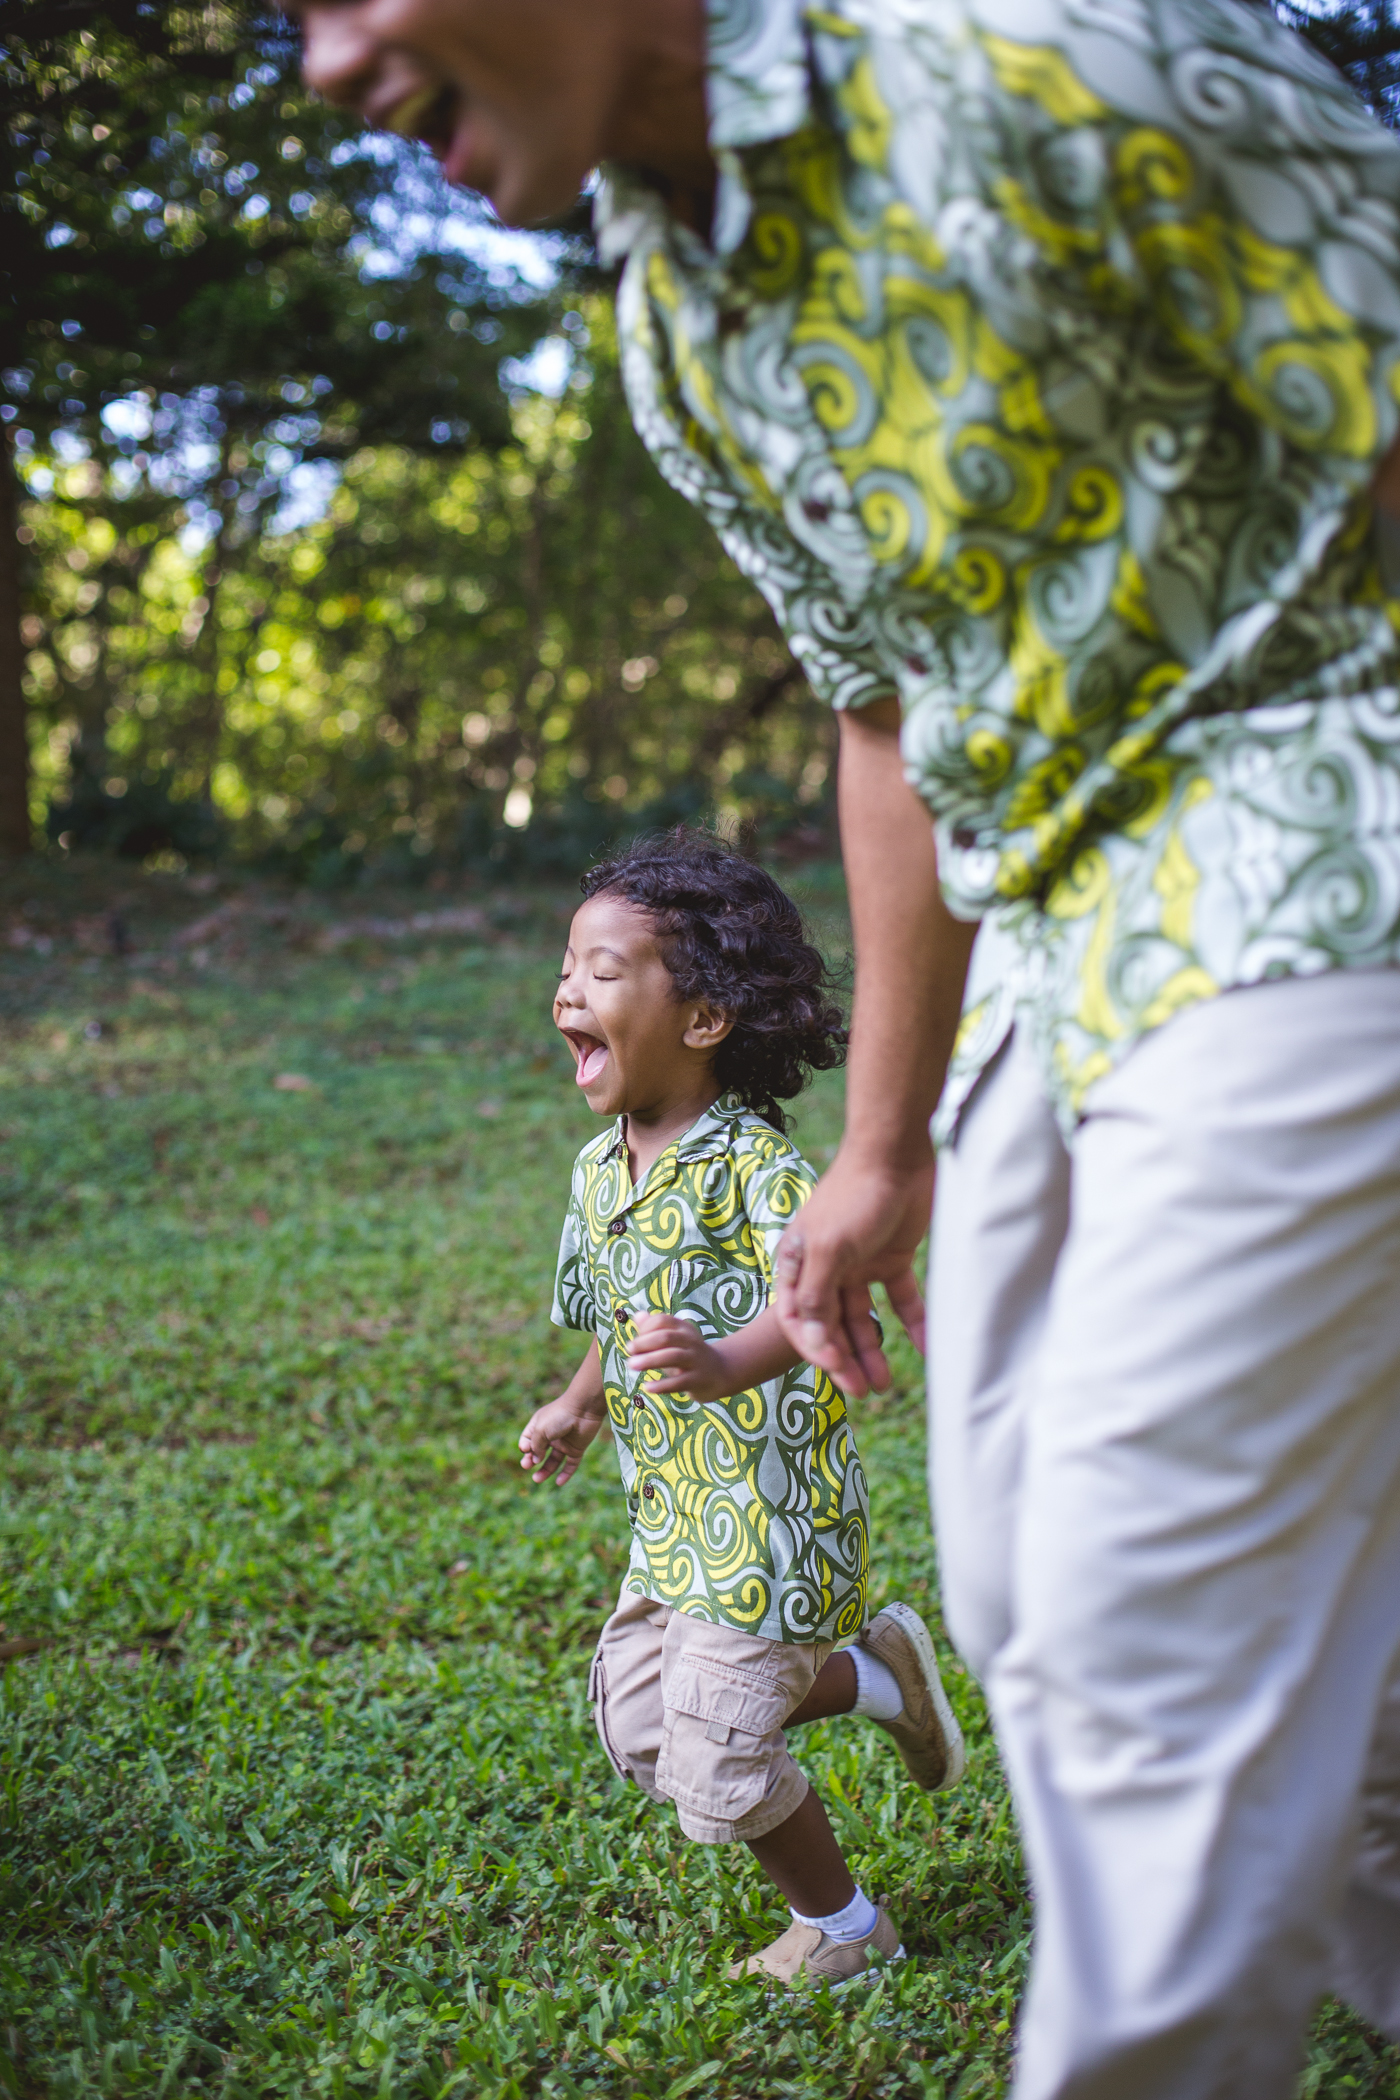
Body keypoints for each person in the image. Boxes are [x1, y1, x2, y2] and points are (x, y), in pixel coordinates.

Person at [294, 0, 1400, 2090]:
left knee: (1124, 1639)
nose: (329, 61)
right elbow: (886, 710)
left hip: (1319, 881)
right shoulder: (674, 312)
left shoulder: (1038, 52)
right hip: (1054, 956)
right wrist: (880, 1146)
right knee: (1010, 1585)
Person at [518, 831, 965, 1988]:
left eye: (603, 970)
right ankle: (873, 1675)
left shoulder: (751, 1169)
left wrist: (726, 1362)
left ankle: (845, 1927)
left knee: (715, 1753)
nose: (568, 988)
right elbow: (619, 1323)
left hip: (770, 1519)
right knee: (640, 1725)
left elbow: (819, 1289)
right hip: (675, 1521)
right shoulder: (597, 1168)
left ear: (705, 1020)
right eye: (569, 965)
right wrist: (578, 1406)